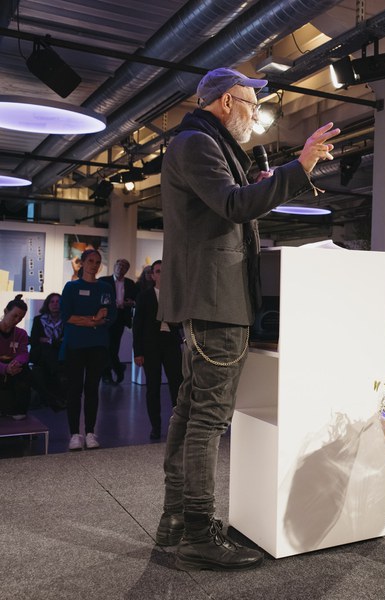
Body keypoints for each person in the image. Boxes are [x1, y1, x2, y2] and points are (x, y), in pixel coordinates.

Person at [156, 66, 339, 571]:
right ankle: (197, 530)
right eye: (251, 104)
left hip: (210, 299)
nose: (256, 114)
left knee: (192, 412)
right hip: (215, 300)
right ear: (224, 103)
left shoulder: (205, 144)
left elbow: (228, 206)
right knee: (208, 418)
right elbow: (234, 206)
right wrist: (298, 168)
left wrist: (266, 182)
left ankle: (176, 522)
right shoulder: (197, 143)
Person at [61, 249, 117, 451]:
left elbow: (111, 316)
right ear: (82, 263)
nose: (94, 265)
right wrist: (93, 320)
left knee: (93, 388)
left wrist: (93, 320)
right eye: (91, 261)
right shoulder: (71, 287)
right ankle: (75, 433)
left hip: (98, 345)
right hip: (75, 344)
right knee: (74, 388)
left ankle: (91, 432)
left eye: (98, 262)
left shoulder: (105, 287)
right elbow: (67, 316)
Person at [133, 260, 183, 441]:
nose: (161, 274)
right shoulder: (144, 296)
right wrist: (137, 352)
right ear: (153, 275)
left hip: (170, 343)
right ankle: (155, 427)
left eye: (164, 271)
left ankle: (178, 426)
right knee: (152, 388)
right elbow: (137, 325)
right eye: (158, 271)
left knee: (176, 386)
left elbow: (182, 320)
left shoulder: (175, 296)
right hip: (150, 346)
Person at [99, 258, 138, 384]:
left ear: (127, 270)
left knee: (114, 347)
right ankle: (111, 372)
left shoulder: (131, 283)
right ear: (114, 266)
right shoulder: (104, 281)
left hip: (120, 319)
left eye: (124, 266)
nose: (121, 268)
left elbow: (136, 300)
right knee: (105, 346)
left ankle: (115, 369)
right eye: (119, 265)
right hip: (105, 318)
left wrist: (131, 303)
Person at [29, 292, 66, 410]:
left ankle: (52, 399)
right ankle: (57, 373)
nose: (55, 304)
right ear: (47, 304)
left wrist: (47, 340)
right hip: (40, 353)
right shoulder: (38, 320)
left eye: (58, 302)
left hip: (57, 353)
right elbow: (34, 340)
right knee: (45, 349)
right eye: (52, 301)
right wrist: (54, 342)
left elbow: (65, 341)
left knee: (48, 349)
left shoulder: (66, 320)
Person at [0, 295, 30, 420]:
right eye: (15, 316)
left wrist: (16, 363)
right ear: (6, 311)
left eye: (21, 318)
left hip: (13, 365)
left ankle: (19, 409)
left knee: (25, 371)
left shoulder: (21, 333)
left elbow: (24, 353)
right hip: (3, 365)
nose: (17, 320)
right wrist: (5, 368)